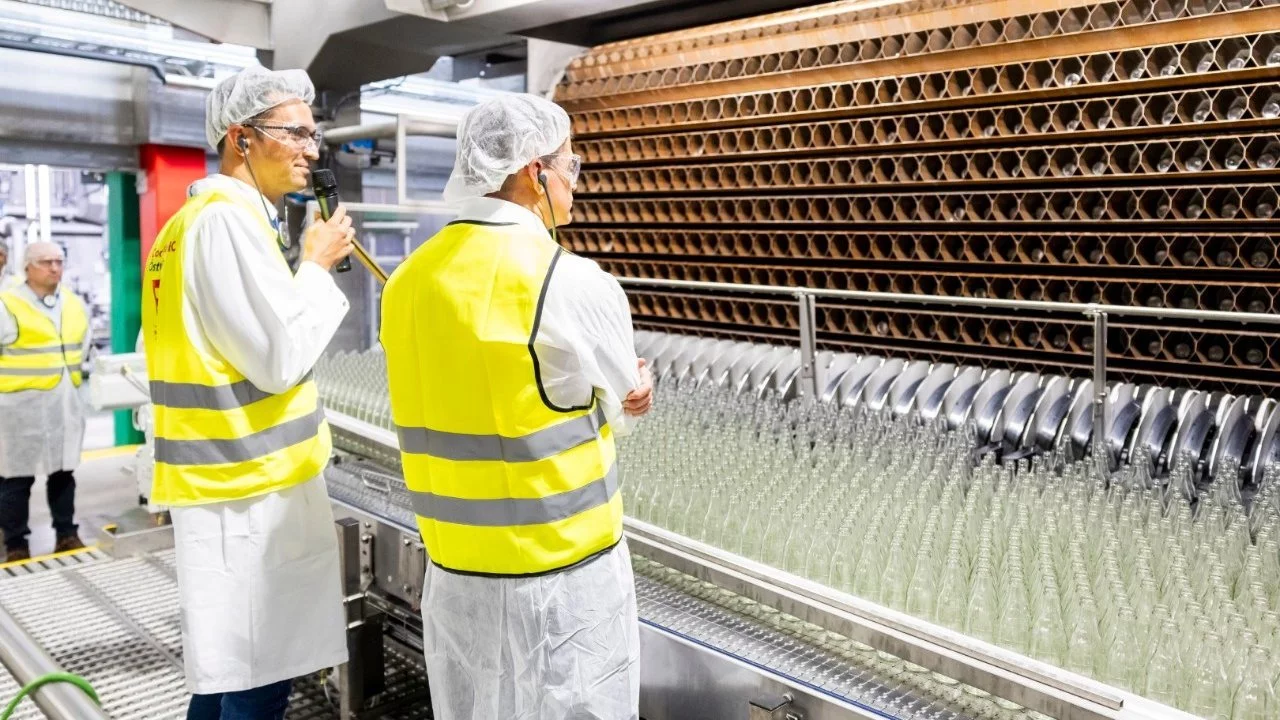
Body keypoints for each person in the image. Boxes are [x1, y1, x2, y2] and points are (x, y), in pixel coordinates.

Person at [380, 94, 655, 720]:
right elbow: (625, 407)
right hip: (564, 590)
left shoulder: (406, 282)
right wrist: (638, 389)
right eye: (570, 166)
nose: (575, 184)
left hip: (456, 579)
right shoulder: (571, 281)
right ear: (535, 172)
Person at [139, 66, 355, 720]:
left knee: (229, 676)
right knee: (256, 682)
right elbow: (278, 358)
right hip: (248, 493)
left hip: (232, 488)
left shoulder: (189, 225)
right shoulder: (225, 224)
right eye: (296, 133)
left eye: (315, 135)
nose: (311, 150)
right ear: (241, 137)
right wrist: (315, 264)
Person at [0, 242, 90, 562]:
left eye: (58, 261)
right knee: (16, 477)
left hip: (64, 405)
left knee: (63, 472)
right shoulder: (7, 303)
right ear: (27, 267)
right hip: (19, 409)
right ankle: (16, 544)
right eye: (46, 262)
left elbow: (84, 348)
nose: (54, 268)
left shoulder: (73, 303)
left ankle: (67, 534)